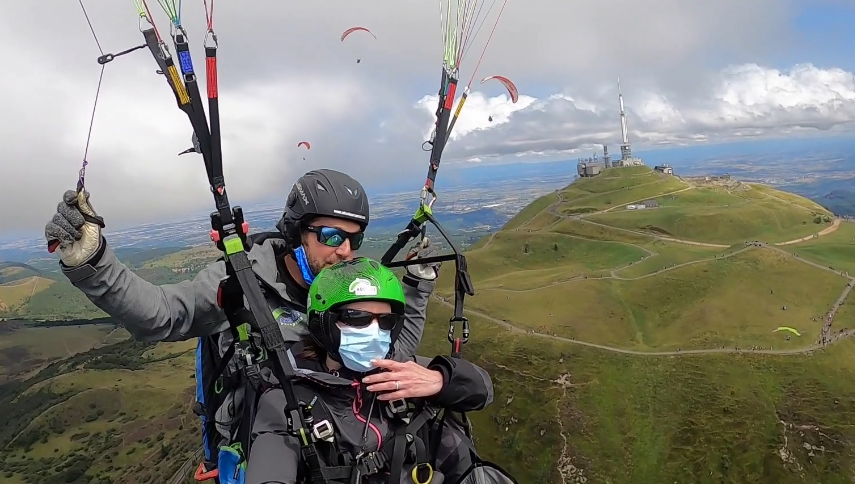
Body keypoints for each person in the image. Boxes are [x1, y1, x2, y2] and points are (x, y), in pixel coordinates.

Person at [43, 168, 443, 478]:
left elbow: (389, 361)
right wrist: (92, 264)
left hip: (339, 456)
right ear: (296, 231)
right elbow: (162, 315)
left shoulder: (351, 288)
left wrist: (416, 291)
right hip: (263, 454)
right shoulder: (241, 284)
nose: (345, 251)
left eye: (354, 240)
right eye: (332, 236)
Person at [246, 257, 496, 484]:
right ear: (323, 324)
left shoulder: (402, 370)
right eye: (356, 317)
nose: (374, 330)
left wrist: (441, 378)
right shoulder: (286, 399)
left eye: (386, 321)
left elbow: (482, 390)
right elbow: (270, 468)